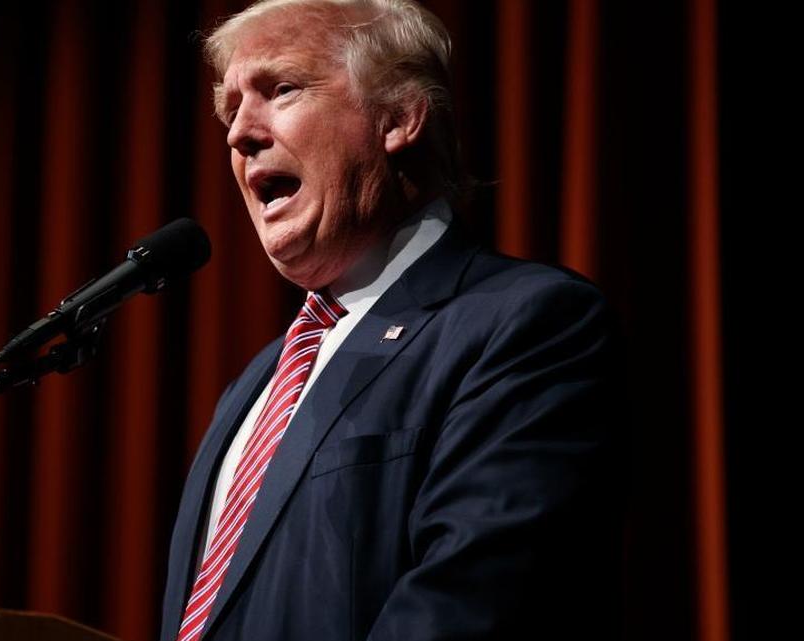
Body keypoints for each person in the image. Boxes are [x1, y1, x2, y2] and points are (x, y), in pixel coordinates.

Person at [160, 1, 626, 640]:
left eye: (282, 89)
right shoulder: (255, 384)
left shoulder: (527, 324)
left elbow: (469, 606)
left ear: (400, 117)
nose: (239, 133)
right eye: (231, 110)